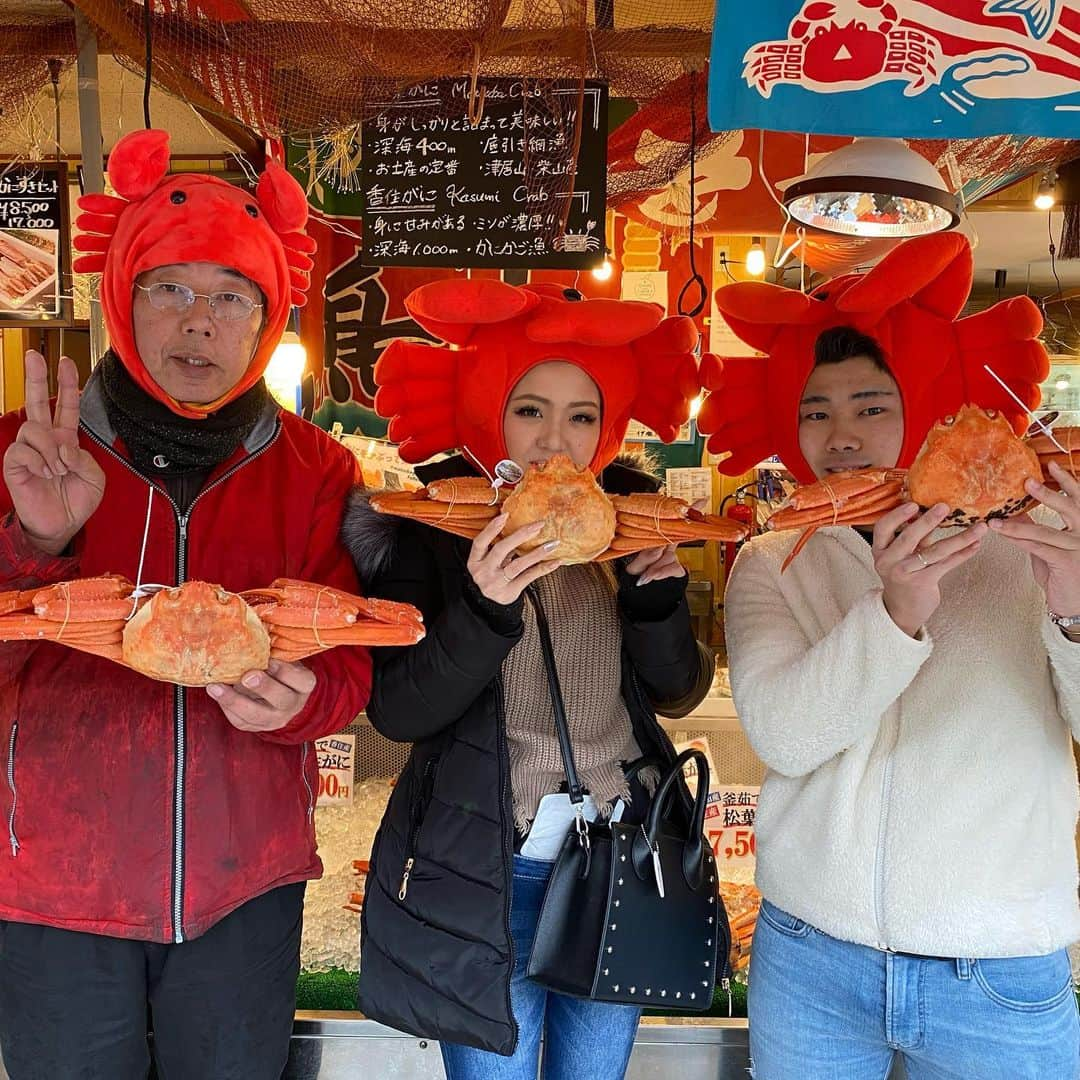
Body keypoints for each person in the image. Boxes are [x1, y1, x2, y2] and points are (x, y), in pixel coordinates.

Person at [0, 128, 372, 1080]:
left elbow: (352, 656)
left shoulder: (318, 469)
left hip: (242, 886)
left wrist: (307, 699)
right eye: (168, 287)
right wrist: (36, 545)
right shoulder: (27, 453)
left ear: (267, 318)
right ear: (123, 299)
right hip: (54, 885)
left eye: (229, 295)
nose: (197, 321)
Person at [343, 278, 716, 1079]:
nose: (556, 439)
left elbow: (678, 691)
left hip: (621, 854)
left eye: (582, 415)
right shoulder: (438, 520)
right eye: (530, 408)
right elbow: (399, 711)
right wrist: (484, 604)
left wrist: (654, 600)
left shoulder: (628, 515)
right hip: (489, 864)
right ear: (491, 409)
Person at [718, 322, 1080, 1080]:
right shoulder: (773, 558)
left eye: (872, 406)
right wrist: (895, 612)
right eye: (816, 411)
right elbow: (783, 737)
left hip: (998, 964)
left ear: (929, 411)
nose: (841, 435)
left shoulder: (1044, 542)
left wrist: (1074, 611)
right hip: (809, 954)